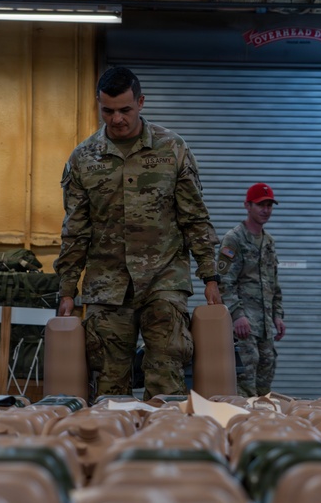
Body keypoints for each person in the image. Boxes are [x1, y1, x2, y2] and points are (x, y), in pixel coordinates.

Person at [55, 66, 221, 400]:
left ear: (141, 102)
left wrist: (211, 277)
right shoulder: (83, 159)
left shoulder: (172, 150)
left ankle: (167, 446)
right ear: (99, 106)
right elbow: (75, 230)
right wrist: (67, 290)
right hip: (107, 283)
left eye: (125, 110)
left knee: (166, 373)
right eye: (108, 111)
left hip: (164, 278)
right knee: (108, 383)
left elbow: (195, 218)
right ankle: (110, 447)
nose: (116, 119)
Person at [218, 183, 286, 398]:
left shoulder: (268, 241)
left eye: (269, 205)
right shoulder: (234, 239)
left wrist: (278, 316)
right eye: (260, 205)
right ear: (247, 205)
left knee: (267, 368)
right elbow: (224, 281)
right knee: (245, 377)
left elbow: (273, 282)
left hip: (264, 324)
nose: (266, 210)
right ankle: (242, 425)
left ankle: (260, 422)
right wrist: (237, 316)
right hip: (244, 324)